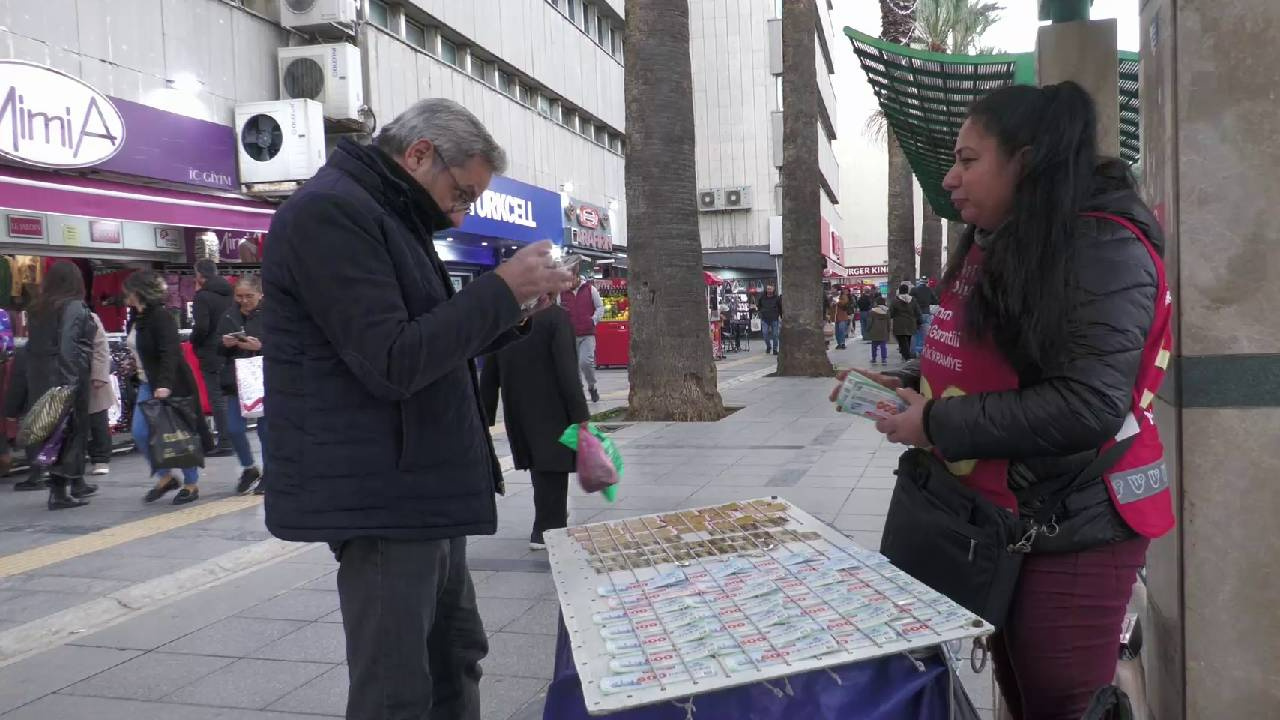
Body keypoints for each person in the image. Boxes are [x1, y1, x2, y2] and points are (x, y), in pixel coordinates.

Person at [261, 98, 574, 720]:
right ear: (419, 153)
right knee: (396, 689)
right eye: (461, 194)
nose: (459, 212)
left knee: (456, 656)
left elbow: (428, 340)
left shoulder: (389, 215)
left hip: (421, 485)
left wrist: (513, 312)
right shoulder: (331, 214)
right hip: (382, 494)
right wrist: (500, 289)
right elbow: (392, 359)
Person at [867, 82, 1172, 720]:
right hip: (1012, 520)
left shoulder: (1102, 246)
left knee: (1062, 704)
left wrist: (937, 422)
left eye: (969, 160)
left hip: (1078, 524)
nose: (950, 178)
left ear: (1025, 161)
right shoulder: (1001, 235)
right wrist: (917, 387)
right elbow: (1001, 359)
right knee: (1022, 692)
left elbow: (1087, 403)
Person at [480, 294, 589, 550]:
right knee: (552, 466)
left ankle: (550, 519)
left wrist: (484, 415)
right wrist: (580, 414)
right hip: (553, 408)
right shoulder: (556, 318)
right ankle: (547, 529)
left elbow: (489, 373)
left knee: (541, 467)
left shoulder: (504, 320)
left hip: (518, 409)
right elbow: (566, 371)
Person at [21, 263, 97, 510]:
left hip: (41, 378)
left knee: (52, 432)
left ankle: (69, 484)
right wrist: (71, 381)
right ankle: (61, 491)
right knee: (72, 432)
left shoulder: (37, 308)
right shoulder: (74, 306)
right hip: (68, 375)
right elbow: (69, 343)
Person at [125, 271, 203, 505]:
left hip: (169, 384)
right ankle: (166, 477)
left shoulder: (162, 317)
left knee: (177, 434)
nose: (124, 296)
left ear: (137, 293)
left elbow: (171, 353)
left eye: (127, 291)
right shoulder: (137, 318)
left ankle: (191, 483)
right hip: (146, 382)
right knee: (140, 433)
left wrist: (165, 385)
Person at [217, 275, 267, 496]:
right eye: (240, 296)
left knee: (266, 430)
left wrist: (262, 346)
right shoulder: (229, 315)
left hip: (264, 378)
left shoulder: (272, 315)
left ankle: (271, 472)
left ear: (260, 295)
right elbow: (216, 347)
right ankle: (249, 468)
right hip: (236, 378)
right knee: (234, 428)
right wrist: (225, 344)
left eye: (249, 296)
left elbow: (288, 344)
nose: (244, 301)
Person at [190, 258, 234, 457]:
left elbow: (201, 327)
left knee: (217, 398)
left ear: (200, 275)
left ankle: (224, 441)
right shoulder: (231, 293)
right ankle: (233, 436)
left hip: (211, 351)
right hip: (232, 350)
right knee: (231, 397)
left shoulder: (203, 297)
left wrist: (195, 341)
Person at [560, 272, 604, 403]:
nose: (569, 282)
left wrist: (593, 320)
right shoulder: (561, 292)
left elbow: (600, 307)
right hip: (569, 334)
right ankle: (579, 392)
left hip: (587, 333)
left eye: (571, 279)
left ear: (577, 277)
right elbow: (557, 309)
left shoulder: (590, 289)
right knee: (573, 367)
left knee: (585, 362)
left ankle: (592, 386)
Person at [87, 311, 115, 476]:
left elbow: (101, 347)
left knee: (97, 418)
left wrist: (99, 374)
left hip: (90, 374)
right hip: (68, 373)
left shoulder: (89, 317)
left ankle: (101, 458)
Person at [888, 283, 920, 361]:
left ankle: (906, 356)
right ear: (907, 291)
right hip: (910, 323)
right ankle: (905, 354)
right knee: (908, 339)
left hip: (899, 323)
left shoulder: (895, 300)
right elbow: (917, 312)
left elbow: (891, 313)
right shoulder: (913, 300)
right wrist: (919, 321)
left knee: (901, 339)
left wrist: (892, 316)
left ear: (899, 291)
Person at [910, 278, 940, 357]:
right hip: (926, 313)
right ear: (927, 283)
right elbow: (935, 301)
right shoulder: (929, 290)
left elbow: (910, 300)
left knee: (916, 333)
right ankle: (923, 351)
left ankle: (915, 351)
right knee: (925, 333)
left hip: (916, 314)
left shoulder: (914, 290)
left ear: (919, 282)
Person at [757, 284, 782, 355]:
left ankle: (775, 349)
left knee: (775, 335)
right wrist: (761, 312)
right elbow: (759, 306)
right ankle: (768, 346)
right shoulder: (762, 297)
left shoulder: (777, 298)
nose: (769, 290)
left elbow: (780, 308)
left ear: (773, 289)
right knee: (765, 334)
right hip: (765, 319)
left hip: (774, 318)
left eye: (770, 289)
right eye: (768, 289)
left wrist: (781, 316)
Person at [866, 296, 890, 365]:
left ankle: (874, 358)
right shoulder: (887, 311)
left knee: (874, 345)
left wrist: (868, 329)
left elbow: (869, 322)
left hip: (874, 330)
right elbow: (888, 322)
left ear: (876, 302)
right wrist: (888, 329)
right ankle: (884, 359)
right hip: (883, 330)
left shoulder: (872, 311)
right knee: (883, 345)